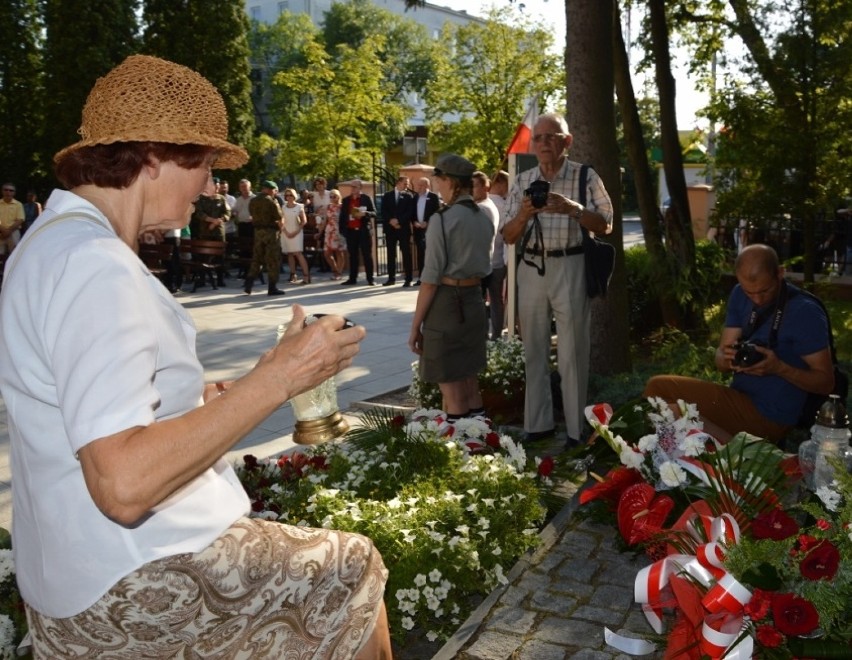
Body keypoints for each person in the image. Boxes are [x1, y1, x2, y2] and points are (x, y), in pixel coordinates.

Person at [0, 55, 390, 659]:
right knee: (354, 566)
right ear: (153, 154)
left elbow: (79, 404)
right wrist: (282, 376)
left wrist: (204, 398)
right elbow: (123, 484)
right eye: (206, 164)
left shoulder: (50, 242)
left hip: (70, 575)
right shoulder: (96, 265)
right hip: (131, 576)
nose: (210, 186)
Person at [644, 244, 835, 443]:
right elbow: (720, 359)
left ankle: (739, 456)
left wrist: (778, 368)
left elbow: (825, 382)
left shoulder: (805, 312)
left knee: (659, 390)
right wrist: (729, 359)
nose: (758, 299)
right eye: (749, 292)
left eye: (765, 290)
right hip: (739, 397)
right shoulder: (739, 294)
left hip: (772, 415)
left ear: (780, 273)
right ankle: (735, 453)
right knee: (668, 403)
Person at [502, 112, 613, 446]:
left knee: (573, 353)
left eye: (552, 136)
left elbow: (606, 224)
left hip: (571, 265)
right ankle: (538, 426)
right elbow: (507, 236)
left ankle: (578, 433)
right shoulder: (524, 180)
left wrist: (572, 209)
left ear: (567, 141)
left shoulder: (584, 176)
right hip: (532, 267)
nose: (544, 142)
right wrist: (524, 213)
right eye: (539, 137)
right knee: (533, 349)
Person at [409, 154, 494, 421]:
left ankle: (463, 456)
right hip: (475, 302)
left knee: (452, 389)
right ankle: (484, 450)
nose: (436, 185)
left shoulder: (443, 219)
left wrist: (415, 326)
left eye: (439, 180)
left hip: (447, 305)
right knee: (470, 384)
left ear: (450, 182)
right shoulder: (484, 216)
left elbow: (430, 280)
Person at [244, 180, 286, 295]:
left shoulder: (253, 201)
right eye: (274, 190)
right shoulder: (272, 201)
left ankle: (249, 283)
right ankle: (272, 287)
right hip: (271, 233)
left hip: (258, 233)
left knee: (257, 258)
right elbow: (279, 217)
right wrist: (281, 229)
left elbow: (251, 215)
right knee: (273, 260)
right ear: (268, 189)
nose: (274, 193)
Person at [472, 171, 500, 337]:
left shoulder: (482, 208)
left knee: (479, 306)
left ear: (485, 187)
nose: (471, 190)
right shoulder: (483, 205)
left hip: (483, 265)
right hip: (486, 263)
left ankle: (482, 339)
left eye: (474, 186)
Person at [486, 170, 510, 340]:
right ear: (501, 184)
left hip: (482, 260)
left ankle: (482, 334)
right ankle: (496, 334)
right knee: (496, 300)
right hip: (499, 259)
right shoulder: (504, 205)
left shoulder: (481, 204)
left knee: (480, 301)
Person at [339, 179, 376, 286]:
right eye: (352, 186)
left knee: (366, 255)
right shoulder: (346, 200)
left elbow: (374, 213)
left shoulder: (366, 198)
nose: (352, 188)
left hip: (363, 231)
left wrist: (365, 213)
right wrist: (343, 231)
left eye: (355, 187)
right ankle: (352, 278)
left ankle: (370, 279)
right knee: (352, 255)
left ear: (360, 188)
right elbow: (342, 217)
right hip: (351, 232)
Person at [381, 175, 415, 287]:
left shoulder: (409, 196)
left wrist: (398, 221)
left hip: (403, 228)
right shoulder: (387, 195)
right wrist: (391, 221)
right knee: (391, 254)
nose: (407, 185)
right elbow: (383, 210)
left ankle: (408, 279)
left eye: (408, 183)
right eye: (405, 183)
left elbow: (409, 212)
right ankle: (391, 278)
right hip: (390, 229)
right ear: (398, 182)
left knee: (406, 253)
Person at [279, 187, 311, 284]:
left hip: (296, 231)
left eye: (291, 195)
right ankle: (293, 274)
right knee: (289, 253)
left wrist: (295, 232)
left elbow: (304, 221)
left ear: (294, 196)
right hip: (286, 232)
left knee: (298, 253)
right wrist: (285, 231)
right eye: (287, 195)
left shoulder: (299, 206)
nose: (289, 197)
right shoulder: (283, 207)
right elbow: (280, 221)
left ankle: (306, 276)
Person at [412, 176, 440, 286]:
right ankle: (421, 277)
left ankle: (432, 277)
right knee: (420, 253)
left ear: (427, 185)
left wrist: (427, 222)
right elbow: (412, 212)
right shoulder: (415, 197)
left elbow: (437, 212)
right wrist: (414, 221)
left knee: (430, 253)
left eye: (421, 185)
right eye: (418, 185)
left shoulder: (433, 197)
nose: (419, 187)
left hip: (430, 229)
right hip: (418, 229)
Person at [323, 188, 346, 279]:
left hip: (339, 230)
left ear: (338, 196)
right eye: (331, 196)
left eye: (334, 196)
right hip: (329, 230)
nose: (332, 198)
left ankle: (339, 272)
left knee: (339, 252)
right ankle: (335, 270)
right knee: (327, 253)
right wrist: (321, 231)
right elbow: (326, 219)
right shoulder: (328, 206)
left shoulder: (342, 206)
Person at [0, 184, 24, 255]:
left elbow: (20, 219)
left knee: (14, 255)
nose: (8, 192)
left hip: (14, 232)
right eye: (6, 190)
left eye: (11, 190)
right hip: (0, 231)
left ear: (14, 193)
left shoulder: (18, 204)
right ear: (2, 191)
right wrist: (3, 230)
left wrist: (8, 231)